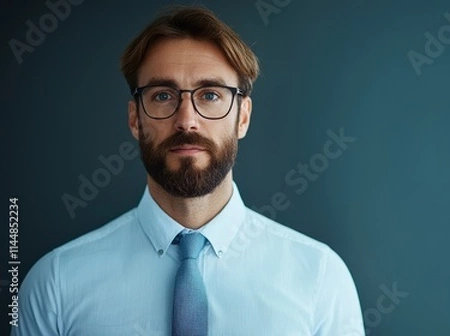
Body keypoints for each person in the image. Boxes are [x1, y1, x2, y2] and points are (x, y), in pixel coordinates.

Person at [12, 5, 364, 336]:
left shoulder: (320, 277)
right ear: (135, 118)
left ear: (243, 116)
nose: (187, 121)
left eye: (210, 94)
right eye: (163, 95)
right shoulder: (55, 283)